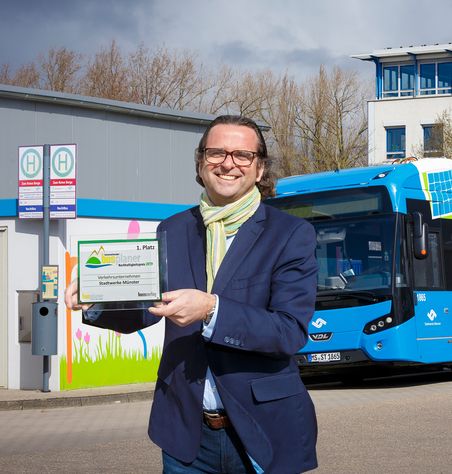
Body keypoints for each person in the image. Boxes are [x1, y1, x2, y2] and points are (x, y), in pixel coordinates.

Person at [65, 115, 319, 474]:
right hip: (186, 434)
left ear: (260, 169)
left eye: (243, 155)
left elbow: (289, 330)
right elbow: (145, 307)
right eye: (216, 153)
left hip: (263, 430)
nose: (228, 163)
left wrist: (211, 310)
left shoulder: (292, 234)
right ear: (200, 163)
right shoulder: (172, 230)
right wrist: (96, 304)